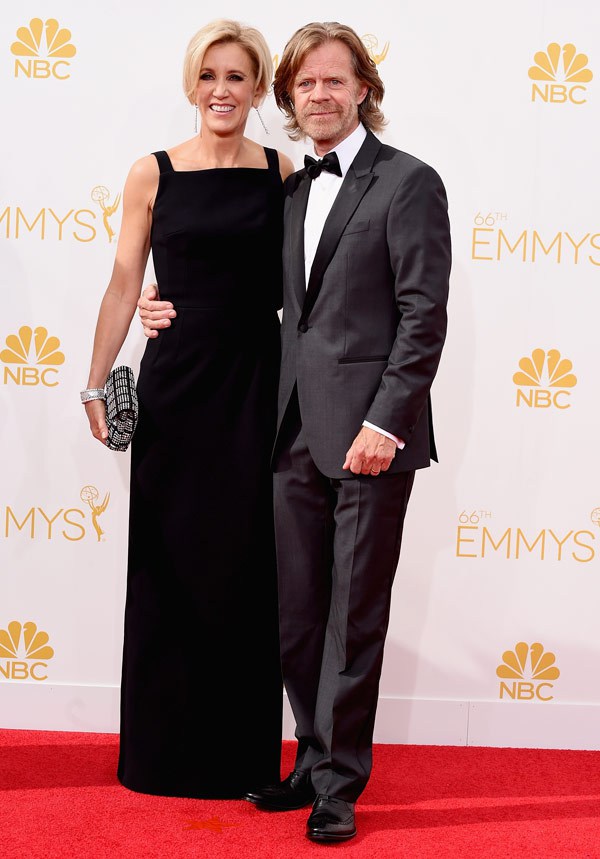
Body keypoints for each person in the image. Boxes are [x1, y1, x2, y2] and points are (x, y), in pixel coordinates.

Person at [139, 19, 451, 841]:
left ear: (363, 90)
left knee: (353, 616)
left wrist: (386, 421)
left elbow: (423, 316)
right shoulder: (291, 189)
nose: (319, 95)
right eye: (305, 83)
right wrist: (158, 300)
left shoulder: (409, 182)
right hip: (288, 432)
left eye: (334, 81)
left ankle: (340, 785)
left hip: (370, 438)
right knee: (299, 612)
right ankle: (311, 760)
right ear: (288, 97)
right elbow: (244, 283)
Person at [81, 19, 294, 800]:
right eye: (209, 75)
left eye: (237, 76)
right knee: (167, 564)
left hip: (255, 385)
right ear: (191, 83)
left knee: (246, 566)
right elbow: (122, 281)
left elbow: (296, 290)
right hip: (176, 389)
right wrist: (96, 382)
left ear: (259, 87)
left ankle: (239, 758)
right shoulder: (153, 172)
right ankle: (160, 755)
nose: (221, 90)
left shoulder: (281, 173)